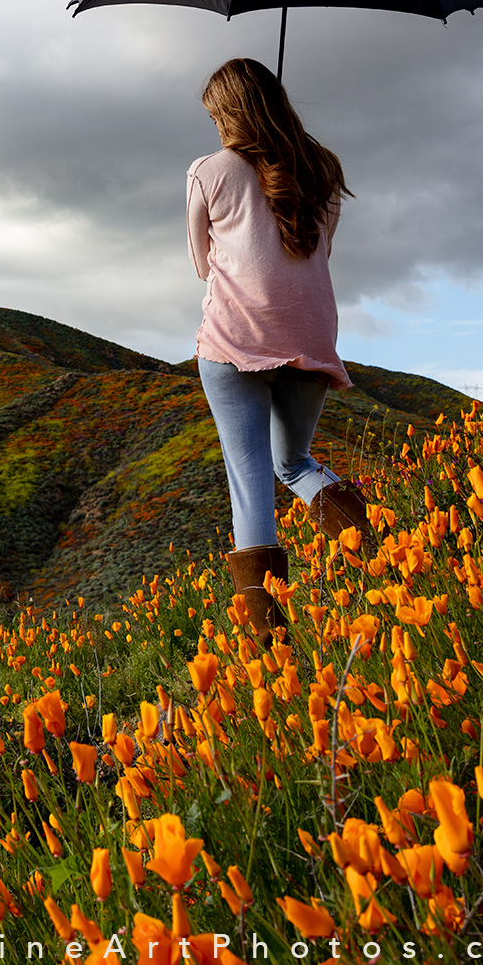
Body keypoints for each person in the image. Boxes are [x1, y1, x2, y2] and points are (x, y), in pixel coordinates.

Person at [188, 57, 369, 635]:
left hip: (234, 342)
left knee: (251, 487)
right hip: (310, 339)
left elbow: (200, 263)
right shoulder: (323, 167)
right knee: (293, 463)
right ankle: (370, 544)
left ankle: (268, 642)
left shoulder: (207, 171)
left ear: (226, 114)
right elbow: (321, 251)